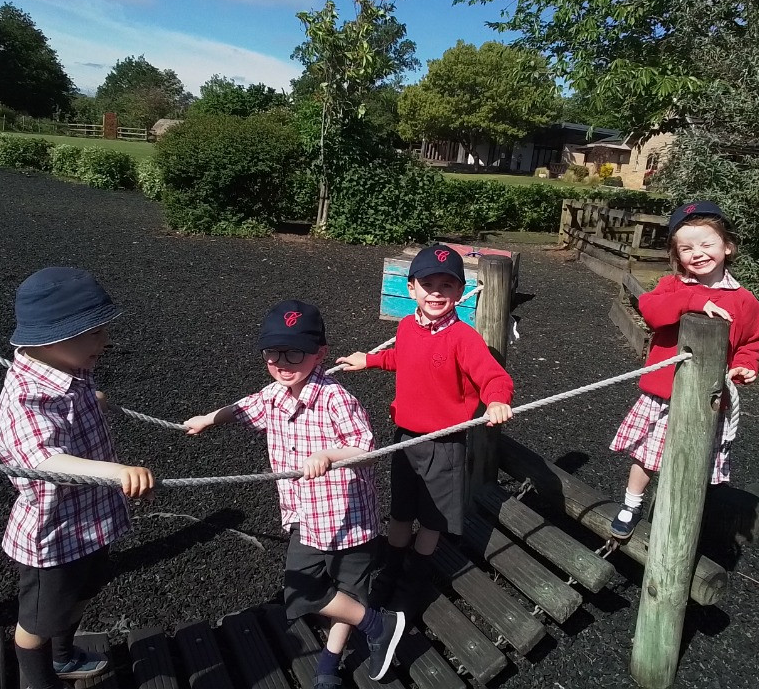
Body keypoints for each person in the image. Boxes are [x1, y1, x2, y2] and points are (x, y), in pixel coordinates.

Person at [183, 300, 405, 688]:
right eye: (273, 353)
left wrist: (328, 455)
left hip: (347, 517)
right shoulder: (272, 394)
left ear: (320, 354)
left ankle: (329, 664)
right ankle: (377, 626)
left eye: (295, 352)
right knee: (306, 589)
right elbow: (240, 408)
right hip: (306, 514)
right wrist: (208, 419)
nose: (282, 362)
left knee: (343, 590)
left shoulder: (336, 398)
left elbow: (366, 450)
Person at [0, 267, 155, 689]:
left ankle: (63, 657)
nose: (105, 341)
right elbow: (43, 461)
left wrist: (91, 398)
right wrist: (118, 471)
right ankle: (38, 680)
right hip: (55, 535)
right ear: (53, 339)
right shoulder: (26, 397)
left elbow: (75, 399)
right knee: (38, 620)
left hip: (88, 522)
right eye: (94, 333)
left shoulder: (68, 369)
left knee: (81, 594)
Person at [336, 244, 514, 603]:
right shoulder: (406, 326)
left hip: (444, 443)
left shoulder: (463, 338)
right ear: (411, 288)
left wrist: (497, 400)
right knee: (401, 510)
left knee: (432, 518)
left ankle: (416, 573)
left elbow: (494, 377)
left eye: (447, 286)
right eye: (428, 283)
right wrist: (369, 360)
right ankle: (394, 564)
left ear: (460, 293)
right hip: (405, 439)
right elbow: (401, 358)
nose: (436, 292)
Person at [609, 201, 759, 539]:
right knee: (647, 456)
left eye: (706, 243)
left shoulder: (744, 301)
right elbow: (651, 311)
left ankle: (682, 514)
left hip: (708, 399)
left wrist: (744, 366)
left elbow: (752, 342)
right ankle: (631, 503)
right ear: (676, 255)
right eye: (687, 247)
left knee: (693, 462)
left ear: (727, 246)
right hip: (664, 393)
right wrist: (693, 301)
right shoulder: (672, 287)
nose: (698, 253)